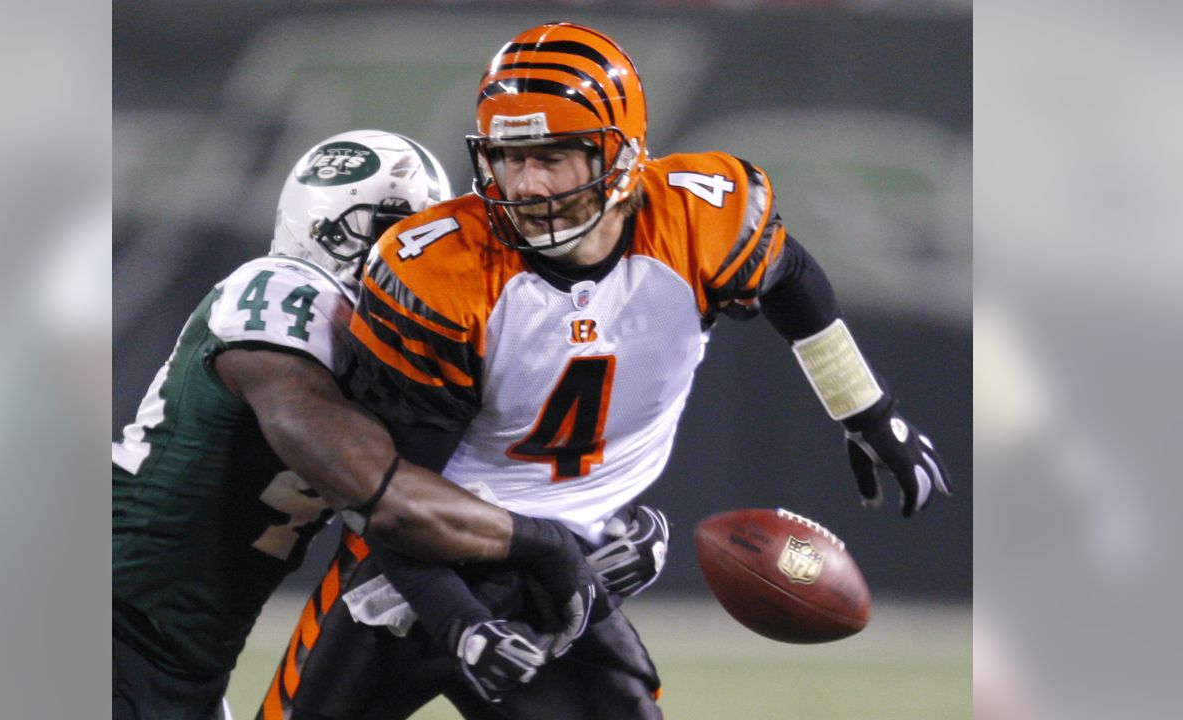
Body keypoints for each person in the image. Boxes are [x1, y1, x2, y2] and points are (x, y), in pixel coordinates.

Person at [272, 21, 951, 720]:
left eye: (552, 156)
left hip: (563, 571)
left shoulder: (695, 221)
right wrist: (459, 623)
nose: (526, 183)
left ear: (620, 152)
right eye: (508, 156)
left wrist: (868, 412)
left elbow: (792, 278)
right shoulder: (447, 275)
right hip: (419, 567)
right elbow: (394, 499)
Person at [112, 130, 604, 720]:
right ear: (323, 221)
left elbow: (430, 512)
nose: (414, 252)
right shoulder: (279, 290)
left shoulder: (382, 354)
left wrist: (591, 536)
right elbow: (385, 497)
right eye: (395, 229)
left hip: (180, 662)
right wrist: (543, 544)